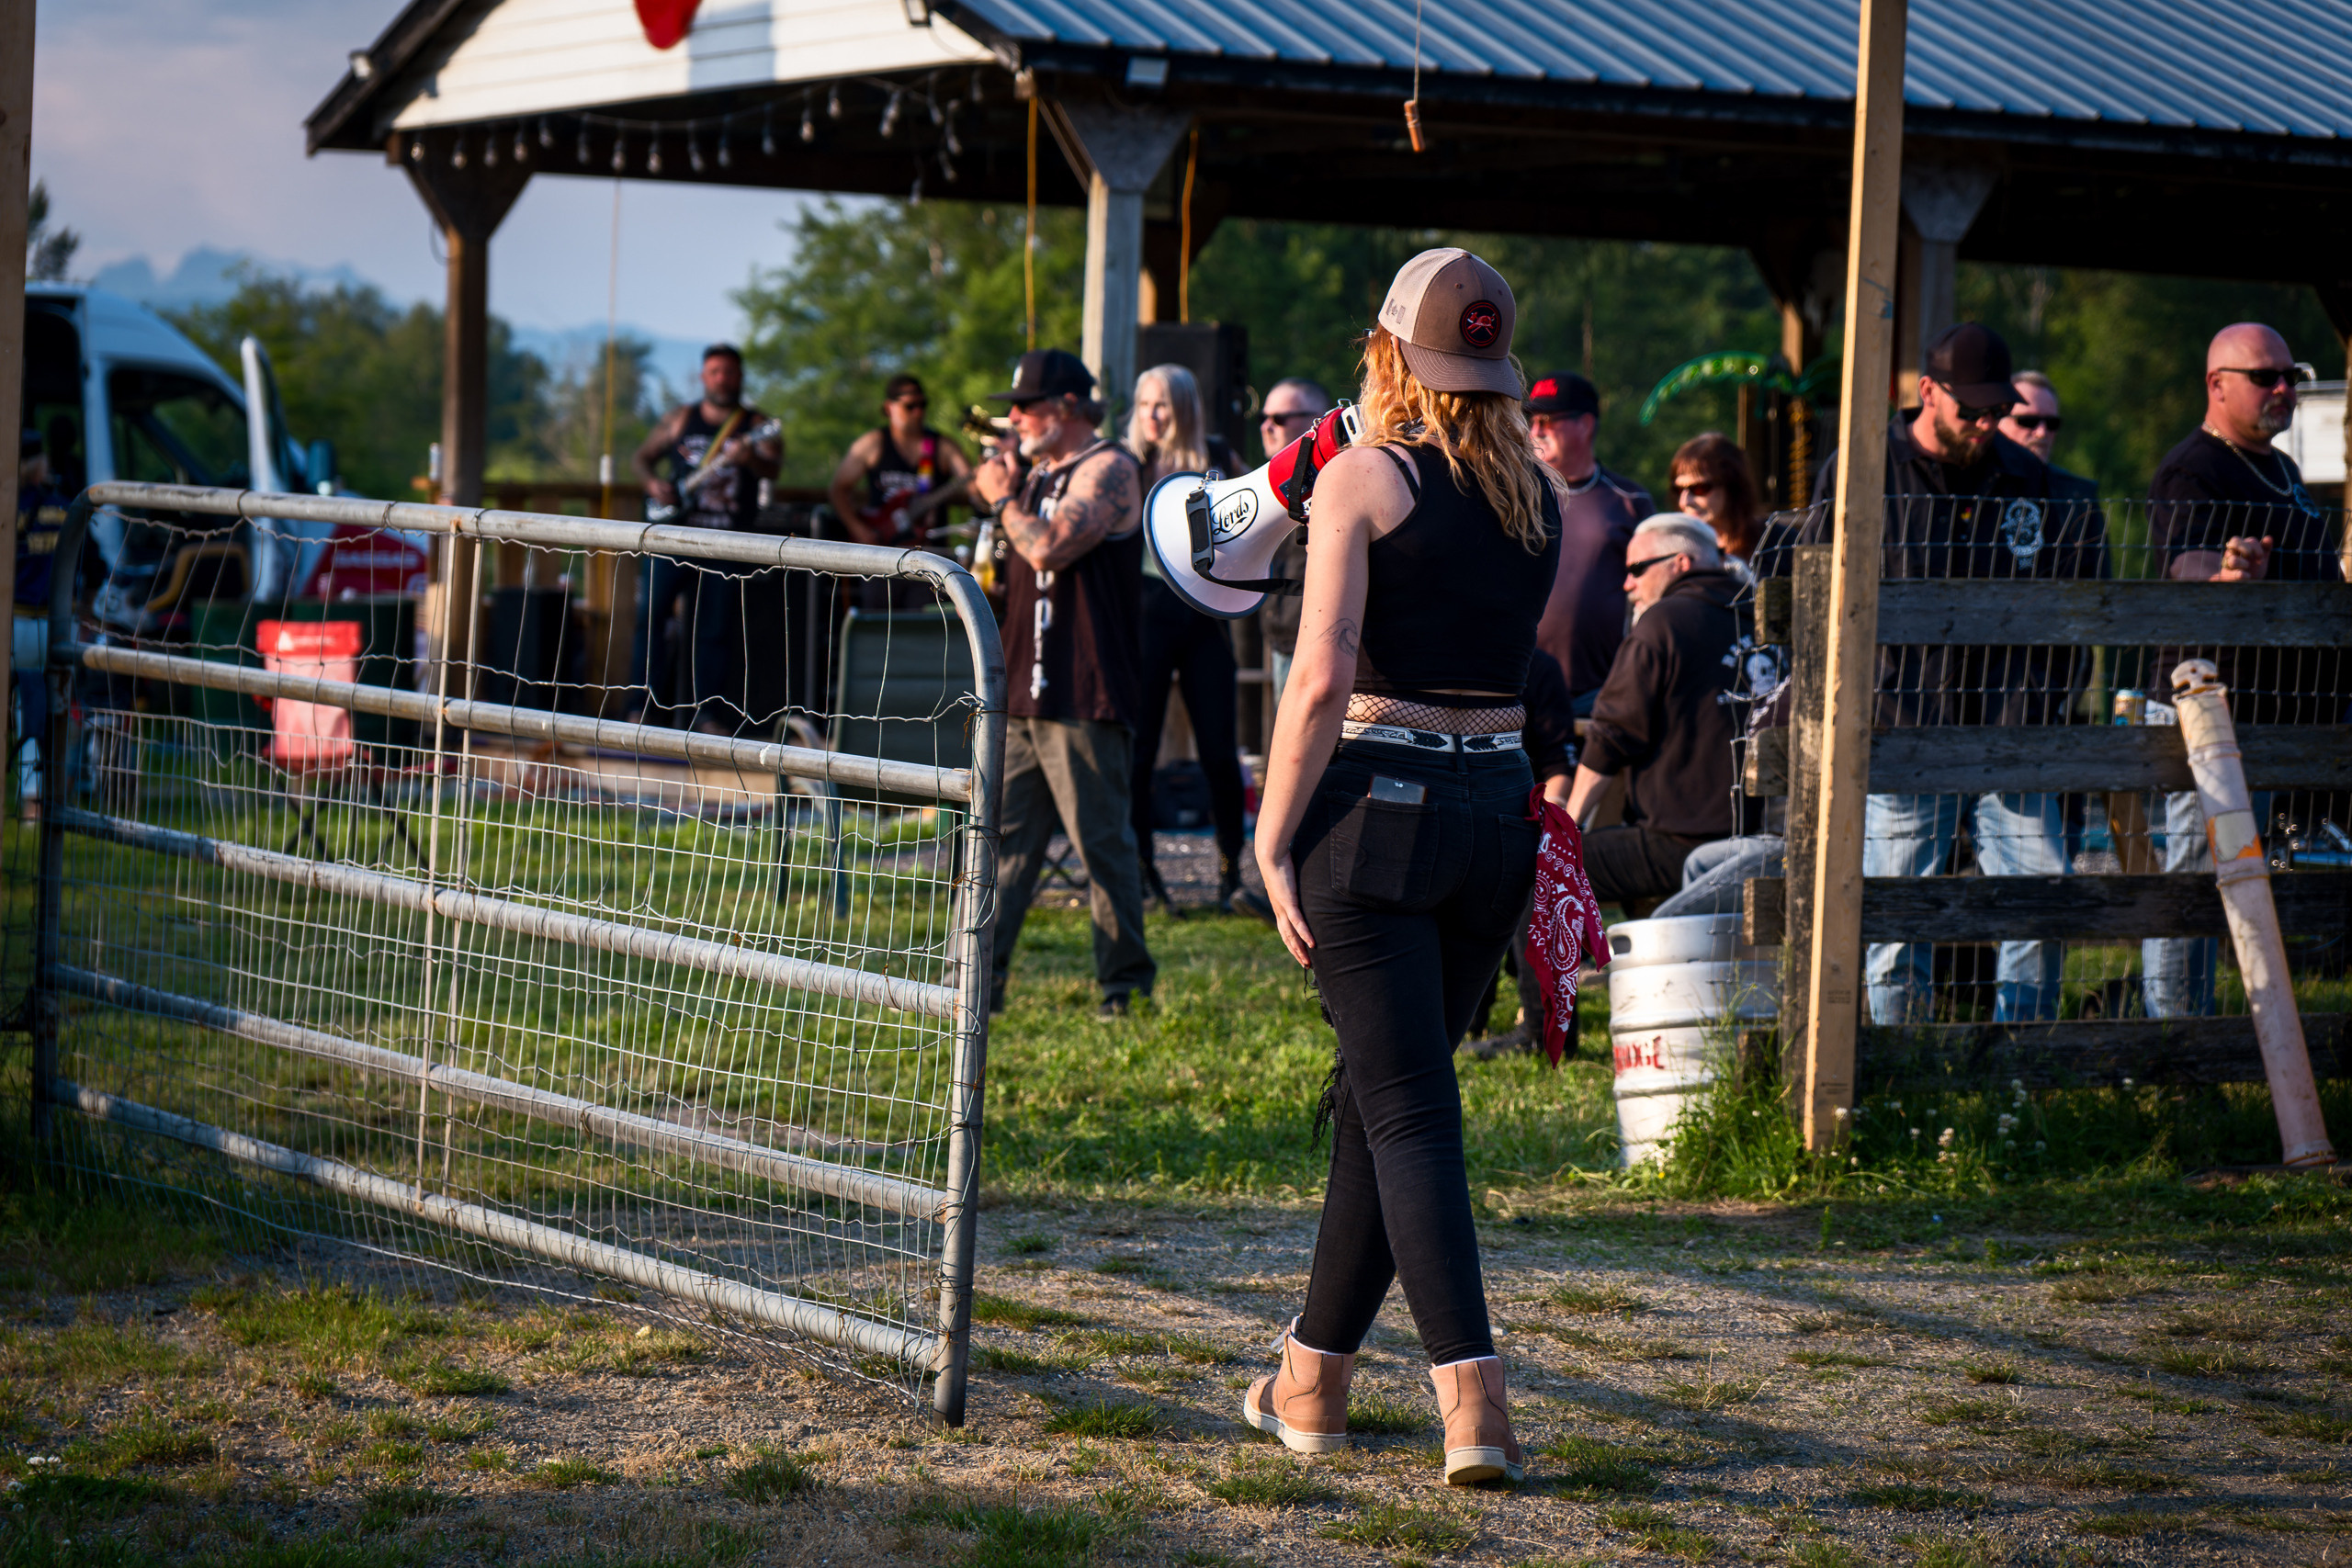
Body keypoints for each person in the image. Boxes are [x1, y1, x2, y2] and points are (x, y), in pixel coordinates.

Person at [1249, 247, 1559, 1485]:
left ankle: (1474, 1401)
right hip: (1496, 814)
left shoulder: (1362, 478)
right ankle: (1310, 1377)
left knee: (1411, 1114)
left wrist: (1270, 836)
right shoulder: (1541, 496)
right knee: (1388, 1107)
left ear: (1390, 356)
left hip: (1375, 814)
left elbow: (1322, 674)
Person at [1807, 321, 2105, 1025]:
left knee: (2038, 896)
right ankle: (1899, 1062)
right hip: (1902, 733)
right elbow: (1816, 600)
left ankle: (2022, 1065)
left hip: (2011, 736)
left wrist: (2035, 705)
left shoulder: (2029, 479)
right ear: (1927, 391)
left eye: (1996, 410)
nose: (1985, 423)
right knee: (1893, 912)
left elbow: (2075, 620)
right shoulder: (1860, 471)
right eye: (1971, 409)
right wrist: (1865, 706)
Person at [2140, 322, 2339, 1018]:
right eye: (2265, 377)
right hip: (2210, 712)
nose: (2283, 388)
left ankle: (2247, 1036)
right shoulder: (2192, 468)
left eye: (2291, 375)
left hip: (2276, 714)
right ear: (2217, 384)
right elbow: (2184, 558)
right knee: (2196, 880)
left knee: (2248, 885)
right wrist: (2224, 570)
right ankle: (2175, 1045)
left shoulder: (2282, 467)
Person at [968, 349, 1156, 1017]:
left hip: (1085, 690)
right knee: (1005, 845)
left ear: (1070, 407)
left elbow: (1048, 546)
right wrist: (1004, 484)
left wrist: (1001, 497)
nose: (1013, 416)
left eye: (1027, 405)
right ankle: (979, 983)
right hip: (1025, 689)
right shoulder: (1038, 472)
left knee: (1101, 845)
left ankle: (1123, 985)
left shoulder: (1110, 468)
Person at [1560, 515, 1747, 907]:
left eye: (1636, 569)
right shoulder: (1756, 613)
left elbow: (1613, 732)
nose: (1627, 585)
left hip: (1684, 840)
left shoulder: (1663, 622)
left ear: (1680, 563)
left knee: (1550, 868)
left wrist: (1568, 825)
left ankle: (1559, 971)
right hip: (1759, 836)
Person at [1126, 364, 1249, 911]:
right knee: (1139, 750)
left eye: (1163, 405)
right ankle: (1141, 870)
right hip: (1144, 615)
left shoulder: (1216, 457)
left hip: (1203, 617)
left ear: (1185, 408)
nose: (1152, 416)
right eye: (1144, 404)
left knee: (1220, 749)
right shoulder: (1128, 462)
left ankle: (1230, 871)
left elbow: (1260, 518)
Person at [627, 344, 783, 731]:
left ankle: (708, 715)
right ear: (703, 376)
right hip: (673, 538)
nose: (722, 379)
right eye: (715, 371)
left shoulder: (756, 424)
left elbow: (773, 468)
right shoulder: (681, 419)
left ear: (740, 377)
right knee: (651, 621)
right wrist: (653, 484)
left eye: (729, 372)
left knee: (714, 629)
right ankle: (641, 708)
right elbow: (641, 458)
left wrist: (751, 459)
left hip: (726, 542)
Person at [1525, 372, 1652, 711]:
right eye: (1531, 420)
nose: (1536, 431)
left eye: (1548, 420)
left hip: (1601, 694)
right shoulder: (1513, 495)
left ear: (1585, 425)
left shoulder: (1629, 500)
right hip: (1519, 690)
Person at [1256, 378, 1335, 711]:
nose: (1266, 427)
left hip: (1321, 647)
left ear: (1317, 418)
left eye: (1280, 419)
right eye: (1264, 417)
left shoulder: (1335, 483)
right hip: (1282, 642)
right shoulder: (1262, 486)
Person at [827, 374, 973, 547]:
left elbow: (972, 483)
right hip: (882, 552)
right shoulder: (873, 443)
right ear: (889, 408)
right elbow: (838, 490)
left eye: (922, 405)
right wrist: (859, 530)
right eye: (910, 406)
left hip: (930, 555)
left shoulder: (942, 446)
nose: (918, 412)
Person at [1668, 432, 1763, 578]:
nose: (1685, 501)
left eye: (1699, 489)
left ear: (1732, 486)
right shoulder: (1674, 550)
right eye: (1679, 490)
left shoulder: (1773, 543)